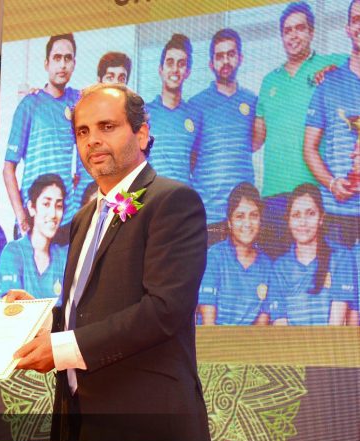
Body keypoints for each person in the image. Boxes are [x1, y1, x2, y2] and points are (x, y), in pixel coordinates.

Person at [9, 84, 211, 441]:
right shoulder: (83, 218)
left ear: (142, 133)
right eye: (83, 132)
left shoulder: (173, 201)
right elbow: (87, 312)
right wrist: (40, 318)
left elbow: (164, 310)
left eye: (107, 126)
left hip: (147, 426)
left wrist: (63, 349)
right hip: (79, 420)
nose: (93, 140)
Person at [254, 2, 347, 258]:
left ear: (311, 32)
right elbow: (256, 139)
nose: (293, 35)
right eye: (287, 30)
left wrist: (335, 71)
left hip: (313, 195)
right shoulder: (269, 81)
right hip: (273, 196)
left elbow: (354, 67)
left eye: (299, 28)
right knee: (276, 270)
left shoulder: (331, 64)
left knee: (317, 272)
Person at [3, 34, 82, 236]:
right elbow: (8, 168)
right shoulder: (30, 104)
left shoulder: (78, 101)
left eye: (68, 58)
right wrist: (21, 217)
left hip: (65, 219)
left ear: (74, 64)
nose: (62, 65)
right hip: (33, 217)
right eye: (57, 58)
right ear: (47, 64)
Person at [190, 28, 257, 243]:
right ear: (211, 63)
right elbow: (191, 158)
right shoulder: (196, 105)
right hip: (209, 214)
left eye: (231, 54)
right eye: (219, 56)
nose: (225, 61)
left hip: (244, 216)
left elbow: (254, 144)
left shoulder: (253, 101)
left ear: (240, 58)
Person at [303, 0, 360, 248]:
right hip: (338, 213)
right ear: (347, 28)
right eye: (356, 20)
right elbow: (309, 148)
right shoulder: (328, 83)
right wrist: (331, 183)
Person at [268, 184, 358, 325]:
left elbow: (336, 325)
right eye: (296, 215)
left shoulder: (341, 257)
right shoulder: (279, 267)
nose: (303, 222)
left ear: (321, 217)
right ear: (288, 220)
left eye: (310, 213)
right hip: (292, 339)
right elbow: (280, 324)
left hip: (329, 338)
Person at [199, 182, 272, 326]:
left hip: (248, 340)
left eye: (253, 215)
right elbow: (208, 324)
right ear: (229, 222)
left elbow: (260, 328)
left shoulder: (267, 266)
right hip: (214, 338)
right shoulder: (214, 257)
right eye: (240, 216)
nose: (247, 223)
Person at [0, 174, 68, 300]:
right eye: (46, 204)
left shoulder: (64, 256)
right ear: (31, 207)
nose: (53, 214)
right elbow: (12, 304)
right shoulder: (13, 251)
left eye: (58, 206)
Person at [146, 33, 201, 186]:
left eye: (181, 64)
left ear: (188, 72)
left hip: (183, 198)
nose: (175, 69)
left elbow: (195, 162)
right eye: (170, 63)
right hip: (153, 198)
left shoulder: (195, 116)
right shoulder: (144, 114)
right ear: (160, 69)